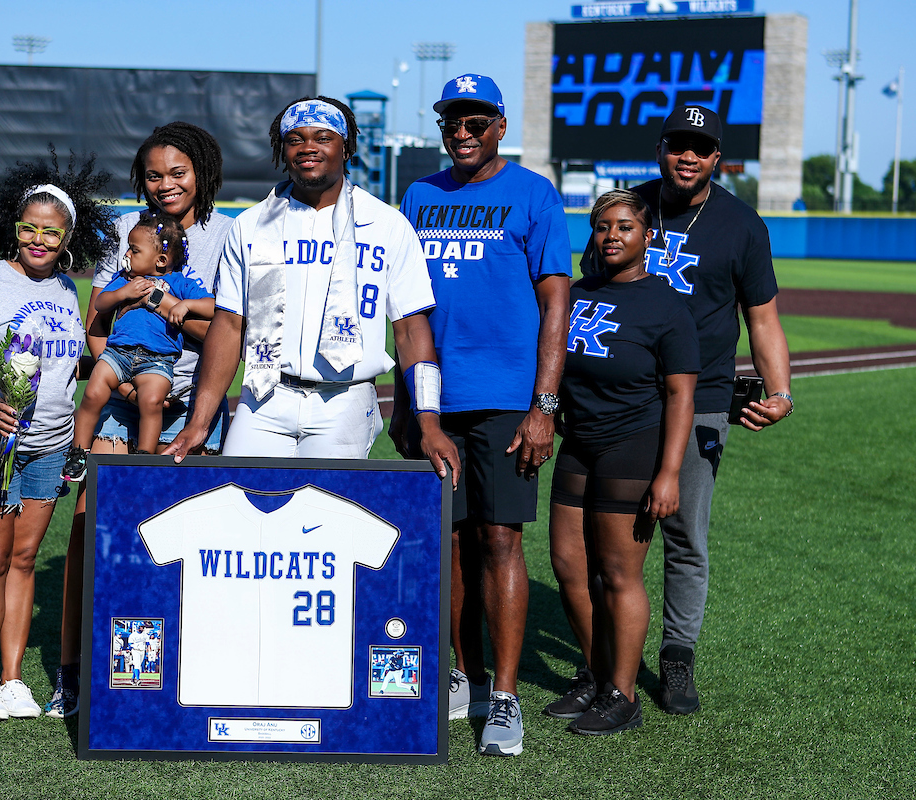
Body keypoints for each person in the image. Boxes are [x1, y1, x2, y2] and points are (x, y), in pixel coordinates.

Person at [581, 105, 792, 714]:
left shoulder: (741, 224)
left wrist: (779, 391)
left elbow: (762, 317)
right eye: (678, 144)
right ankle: (605, 660)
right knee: (606, 537)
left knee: (683, 532)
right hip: (621, 400)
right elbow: (590, 291)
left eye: (700, 147)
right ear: (662, 150)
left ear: (717, 157)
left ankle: (677, 656)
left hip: (698, 399)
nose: (688, 155)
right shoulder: (631, 209)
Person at [395, 74, 571, 757]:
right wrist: (410, 403)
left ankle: (505, 697)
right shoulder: (420, 195)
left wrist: (544, 406)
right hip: (436, 397)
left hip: (505, 399)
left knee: (498, 539)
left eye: (475, 122)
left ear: (499, 125)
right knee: (449, 540)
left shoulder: (532, 193)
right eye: (451, 123)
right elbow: (406, 310)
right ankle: (460, 675)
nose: (461, 133)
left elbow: (556, 304)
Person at [164, 96, 460, 480]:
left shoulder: (387, 224)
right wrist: (199, 423)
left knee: (326, 525)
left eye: (323, 137)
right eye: (295, 138)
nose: (308, 147)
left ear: (346, 145)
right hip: (265, 395)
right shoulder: (252, 225)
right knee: (243, 511)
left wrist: (430, 422)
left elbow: (409, 328)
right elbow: (229, 325)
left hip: (346, 399)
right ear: (282, 149)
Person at [46, 122, 233, 718]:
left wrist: (165, 306)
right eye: (154, 174)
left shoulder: (229, 236)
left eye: (178, 172)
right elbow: (96, 323)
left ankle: (185, 666)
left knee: (190, 537)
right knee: (90, 526)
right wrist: (120, 376)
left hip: (193, 408)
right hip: (122, 402)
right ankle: (73, 670)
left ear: (201, 172)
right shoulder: (128, 233)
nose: (165, 184)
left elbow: (227, 332)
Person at [0, 151, 116, 722]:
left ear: (67, 240)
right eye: (29, 228)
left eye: (51, 233)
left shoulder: (65, 288)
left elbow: (67, 364)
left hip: (49, 444)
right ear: (12, 227)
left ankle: (14, 678)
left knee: (26, 557)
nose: (38, 240)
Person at [546, 190, 698, 735]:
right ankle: (592, 673)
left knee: (617, 574)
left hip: (631, 444)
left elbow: (682, 395)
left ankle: (622, 694)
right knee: (567, 566)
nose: (612, 235)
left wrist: (669, 473)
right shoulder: (578, 291)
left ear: (647, 236)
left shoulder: (667, 304)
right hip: (578, 443)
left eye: (625, 227)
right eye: (603, 226)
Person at [62, 210, 214, 473]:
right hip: (117, 353)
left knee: (152, 401)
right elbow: (101, 303)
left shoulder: (179, 283)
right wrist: (124, 292)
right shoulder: (123, 279)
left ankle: (143, 457)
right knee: (93, 392)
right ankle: (78, 452)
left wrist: (187, 305)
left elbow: (214, 307)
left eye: (134, 250)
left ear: (161, 260)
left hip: (158, 360)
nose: (127, 255)